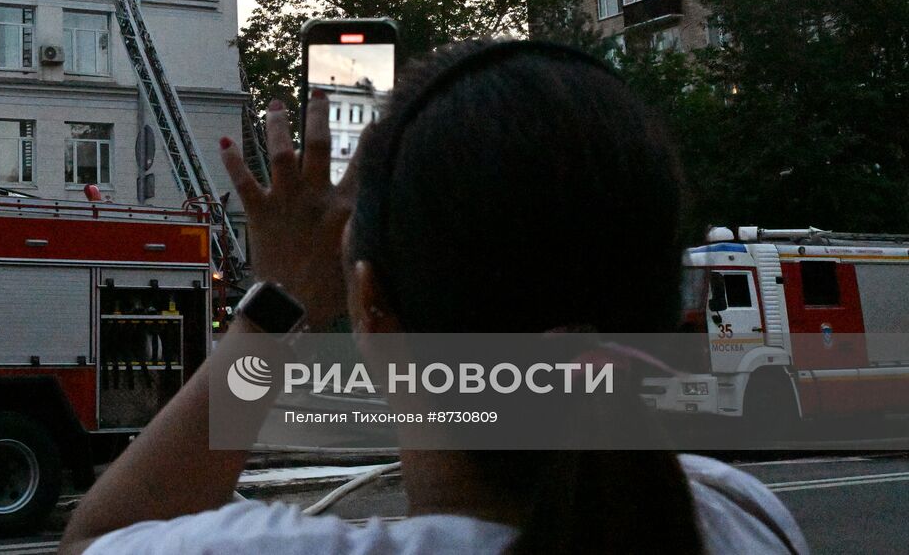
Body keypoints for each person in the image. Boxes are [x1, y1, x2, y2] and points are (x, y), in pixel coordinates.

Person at [61, 39, 807, 554]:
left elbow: (100, 536)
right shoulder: (742, 514)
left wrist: (282, 300)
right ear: (669, 302)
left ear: (371, 310)